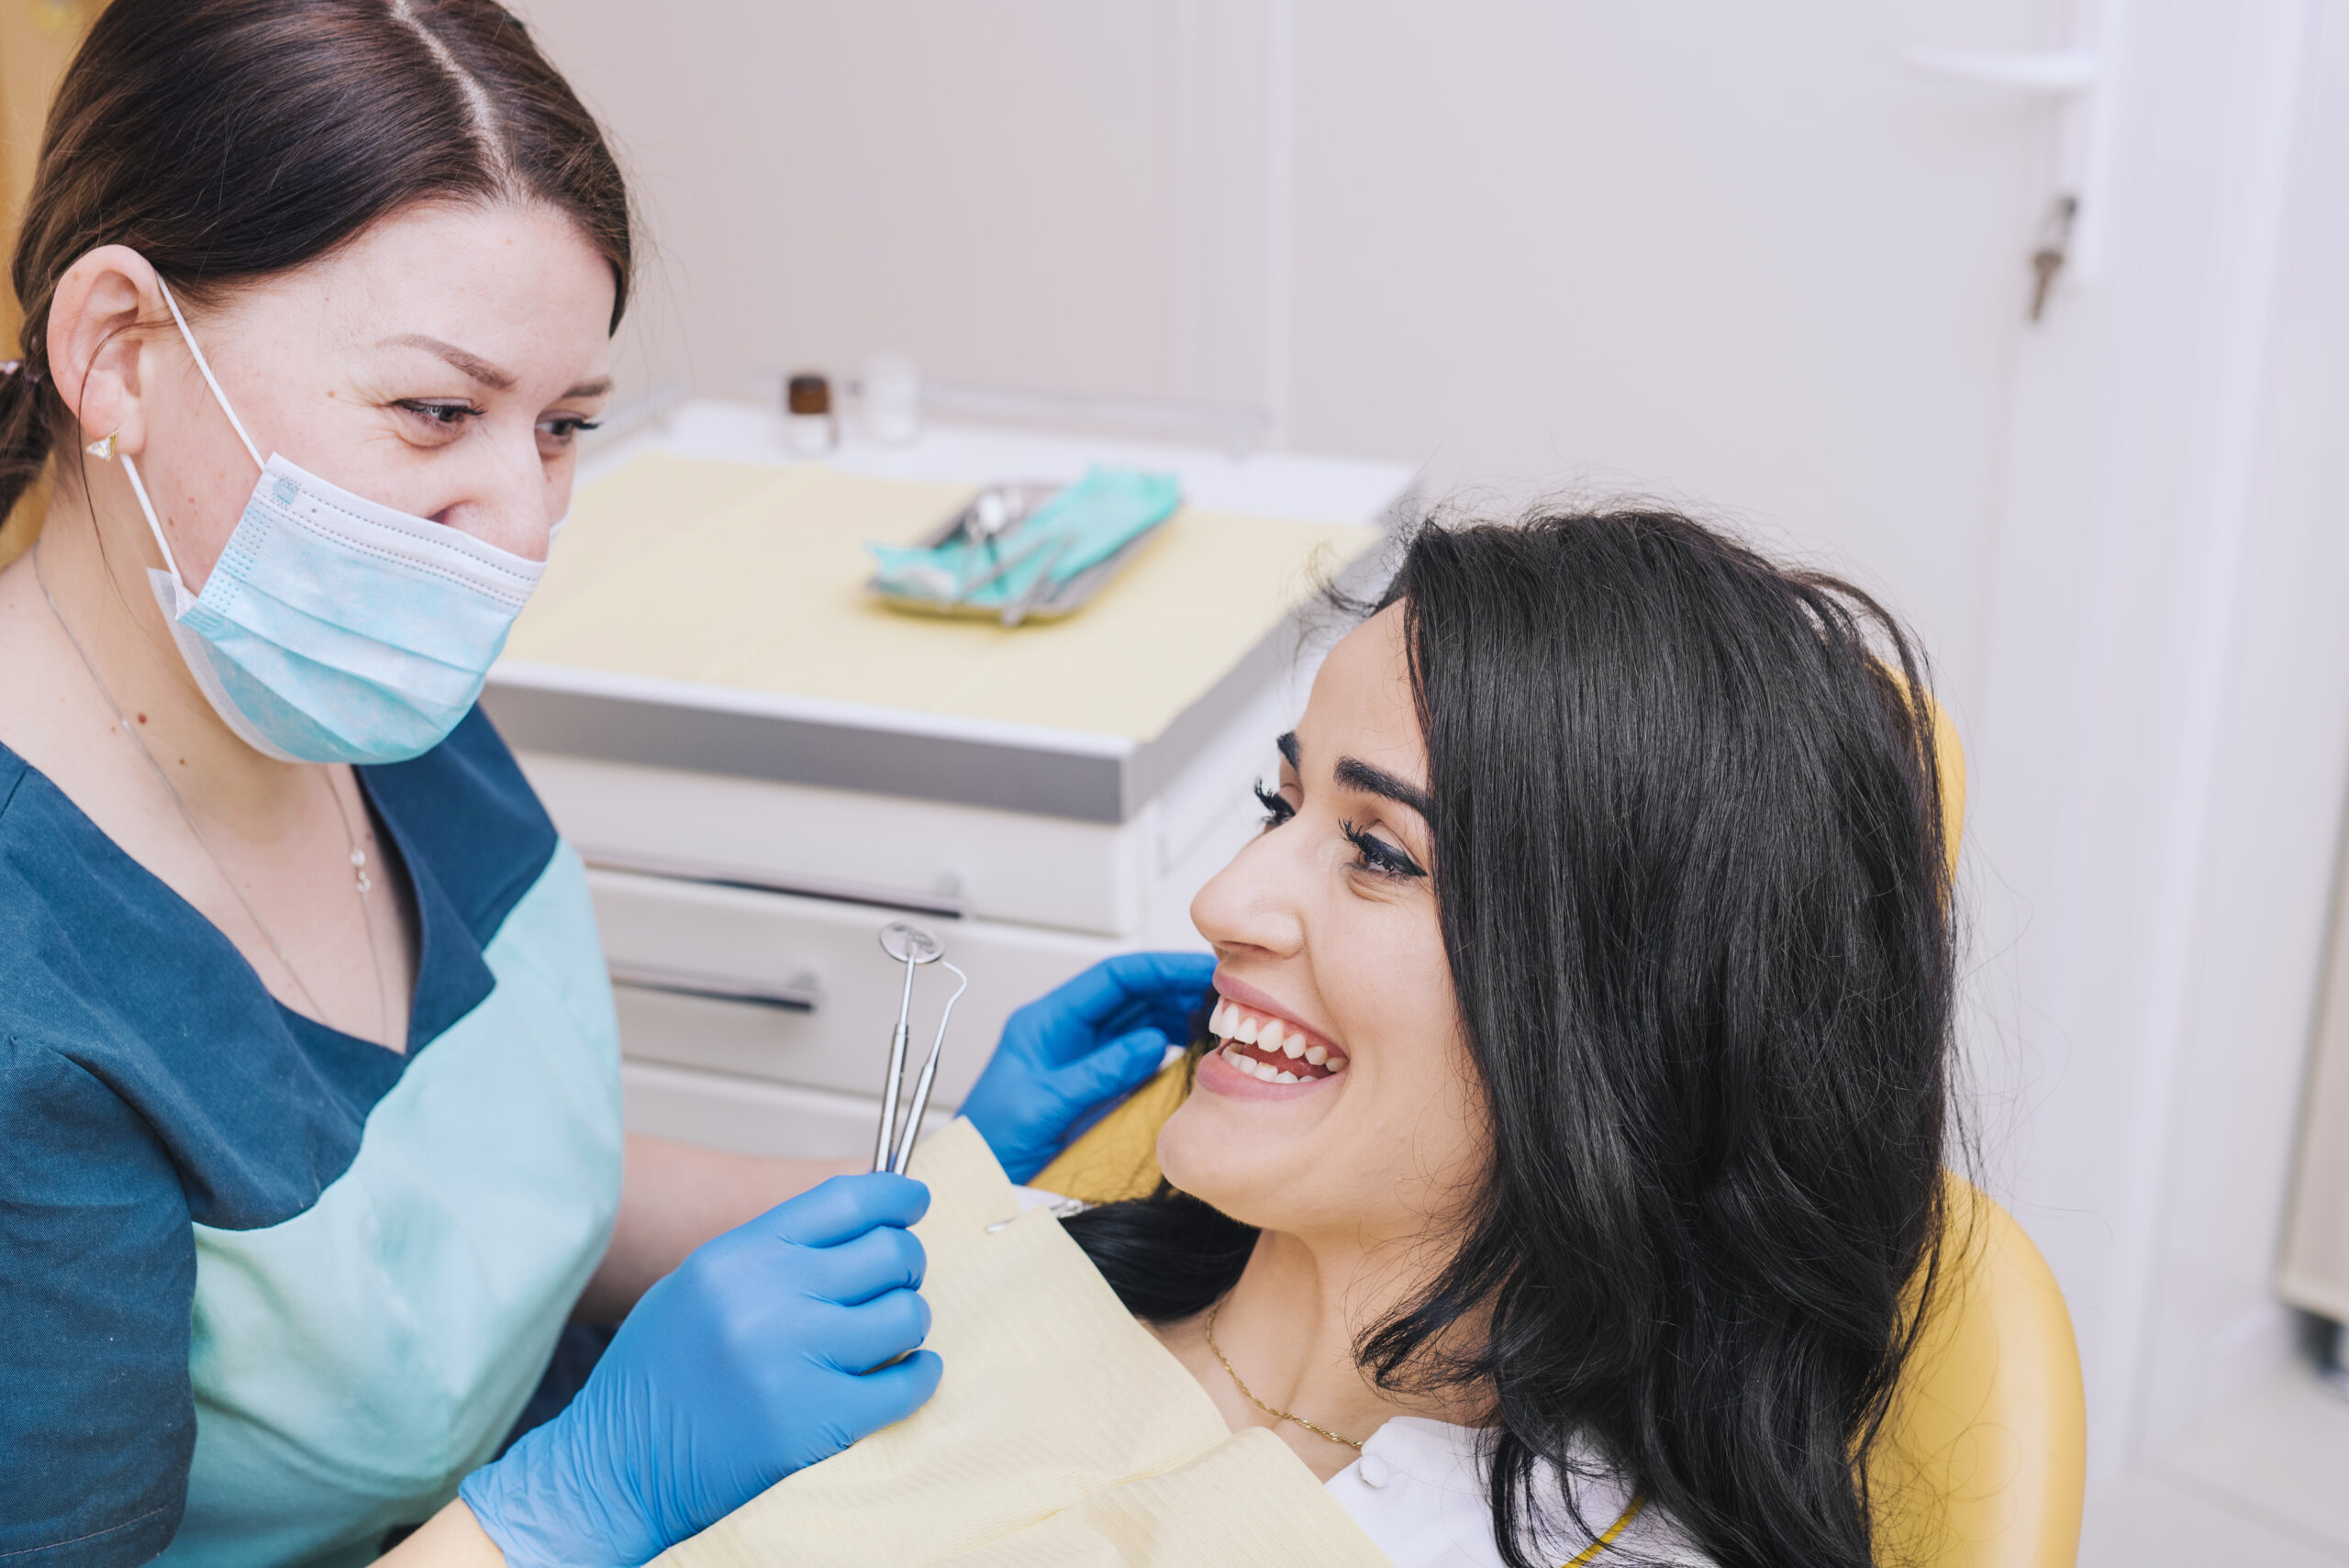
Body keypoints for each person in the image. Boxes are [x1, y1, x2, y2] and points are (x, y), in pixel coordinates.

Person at [0, 3, 1207, 1564]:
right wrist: (581, 1497)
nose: (519, 526)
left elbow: (479, 1194)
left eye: (563, 425)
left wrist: (939, 1179)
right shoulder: (34, 999)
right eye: (437, 411)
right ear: (117, 349)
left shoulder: (353, 685)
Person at [1059, 510, 1957, 1568]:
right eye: (1279, 803)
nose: (1221, 901)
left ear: (1626, 1019)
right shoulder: (971, 1269)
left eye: (1381, 853)